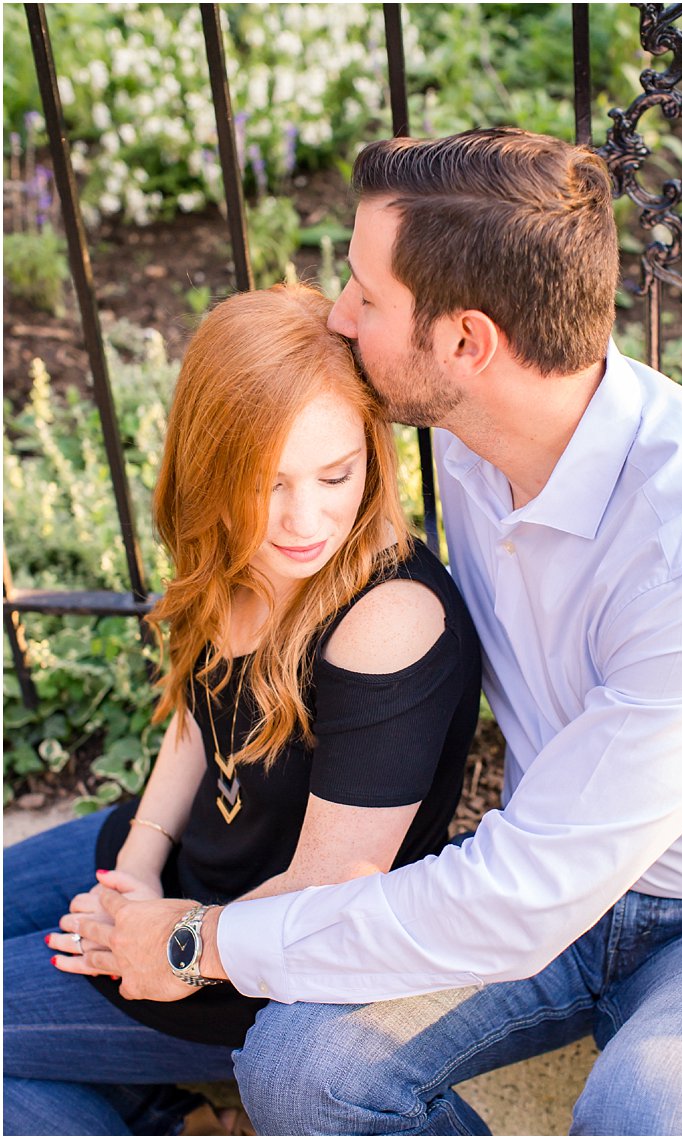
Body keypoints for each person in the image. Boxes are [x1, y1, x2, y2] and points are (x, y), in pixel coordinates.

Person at [69, 128, 682, 1136]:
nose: (339, 315)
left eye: (364, 293)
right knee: (304, 1066)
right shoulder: (474, 436)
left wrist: (199, 941)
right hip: (549, 868)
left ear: (466, 342)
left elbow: (521, 894)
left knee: (653, 1114)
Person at [6, 283, 483, 1136]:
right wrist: (139, 866)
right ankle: (158, 1111)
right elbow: (199, 716)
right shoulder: (235, 546)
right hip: (176, 867)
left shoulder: (390, 619)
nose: (306, 519)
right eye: (267, 484)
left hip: (246, 960)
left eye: (337, 473)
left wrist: (166, 936)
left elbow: (325, 890)